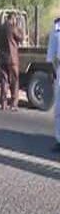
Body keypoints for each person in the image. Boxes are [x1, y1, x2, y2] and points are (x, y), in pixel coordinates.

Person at [0, 13, 24, 111]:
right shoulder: (13, 28)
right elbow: (21, 37)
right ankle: (13, 104)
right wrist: (19, 27)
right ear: (13, 19)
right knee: (14, 81)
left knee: (4, 80)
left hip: (2, 58)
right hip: (12, 59)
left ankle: (3, 104)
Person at [47, 17, 60, 151]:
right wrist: (51, 71)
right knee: (59, 108)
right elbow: (51, 53)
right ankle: (59, 139)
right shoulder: (56, 28)